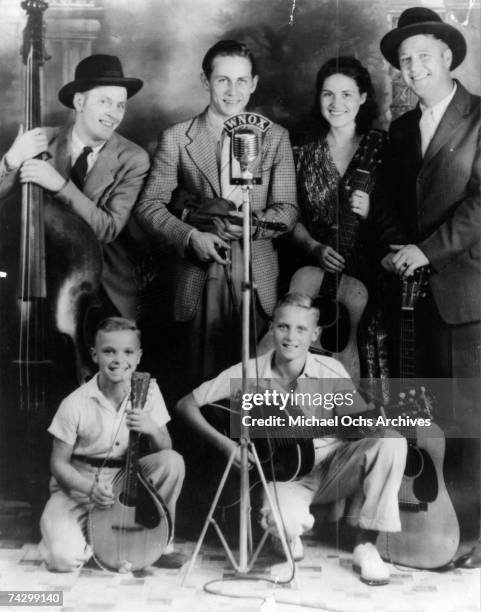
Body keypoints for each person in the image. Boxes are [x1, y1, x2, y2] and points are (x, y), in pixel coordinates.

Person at [176, 293, 407, 585]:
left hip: (334, 469)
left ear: (315, 334)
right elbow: (185, 405)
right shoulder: (249, 372)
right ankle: (284, 533)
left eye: (301, 329)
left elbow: (360, 428)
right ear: (272, 328)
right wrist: (227, 446)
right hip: (285, 477)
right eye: (283, 326)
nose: (291, 337)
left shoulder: (330, 370)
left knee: (391, 440)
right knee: (284, 526)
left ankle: (366, 545)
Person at [135, 40, 298, 396]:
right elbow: (149, 207)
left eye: (242, 81)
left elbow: (288, 210)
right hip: (198, 271)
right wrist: (192, 237)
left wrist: (252, 225)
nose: (233, 91)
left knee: (253, 381)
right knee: (198, 382)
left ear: (254, 83)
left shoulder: (275, 138)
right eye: (223, 80)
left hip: (256, 274)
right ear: (205, 81)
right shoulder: (177, 138)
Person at [380, 7, 480, 567]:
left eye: (422, 57)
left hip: (463, 293)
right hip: (411, 294)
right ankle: (430, 528)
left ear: (447, 57)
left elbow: (480, 205)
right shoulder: (399, 129)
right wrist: (399, 249)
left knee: (468, 419)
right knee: (425, 413)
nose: (412, 68)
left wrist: (427, 251)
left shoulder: (480, 117)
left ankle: (469, 535)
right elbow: (392, 207)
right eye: (403, 61)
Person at [0, 54, 150, 322]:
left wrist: (58, 184)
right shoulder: (41, 140)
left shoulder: (133, 158)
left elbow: (108, 228)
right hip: (37, 273)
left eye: (120, 105)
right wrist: (11, 159)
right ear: (79, 102)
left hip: (99, 284)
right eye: (104, 102)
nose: (114, 114)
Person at [38, 317, 185, 572]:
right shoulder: (75, 403)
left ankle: (161, 542)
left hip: (129, 477)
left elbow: (166, 446)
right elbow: (58, 463)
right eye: (109, 351)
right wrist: (89, 487)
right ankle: (87, 538)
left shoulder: (148, 390)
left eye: (128, 352)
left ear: (139, 356)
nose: (119, 360)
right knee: (62, 559)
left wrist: (151, 427)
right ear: (95, 355)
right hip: (82, 485)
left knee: (173, 461)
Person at [292, 56, 398, 388]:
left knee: (369, 367)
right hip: (315, 275)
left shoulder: (382, 146)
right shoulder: (302, 152)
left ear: (363, 97)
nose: (337, 104)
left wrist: (372, 211)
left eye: (347, 94)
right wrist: (312, 246)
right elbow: (288, 214)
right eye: (328, 94)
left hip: (371, 278)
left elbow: (403, 214)